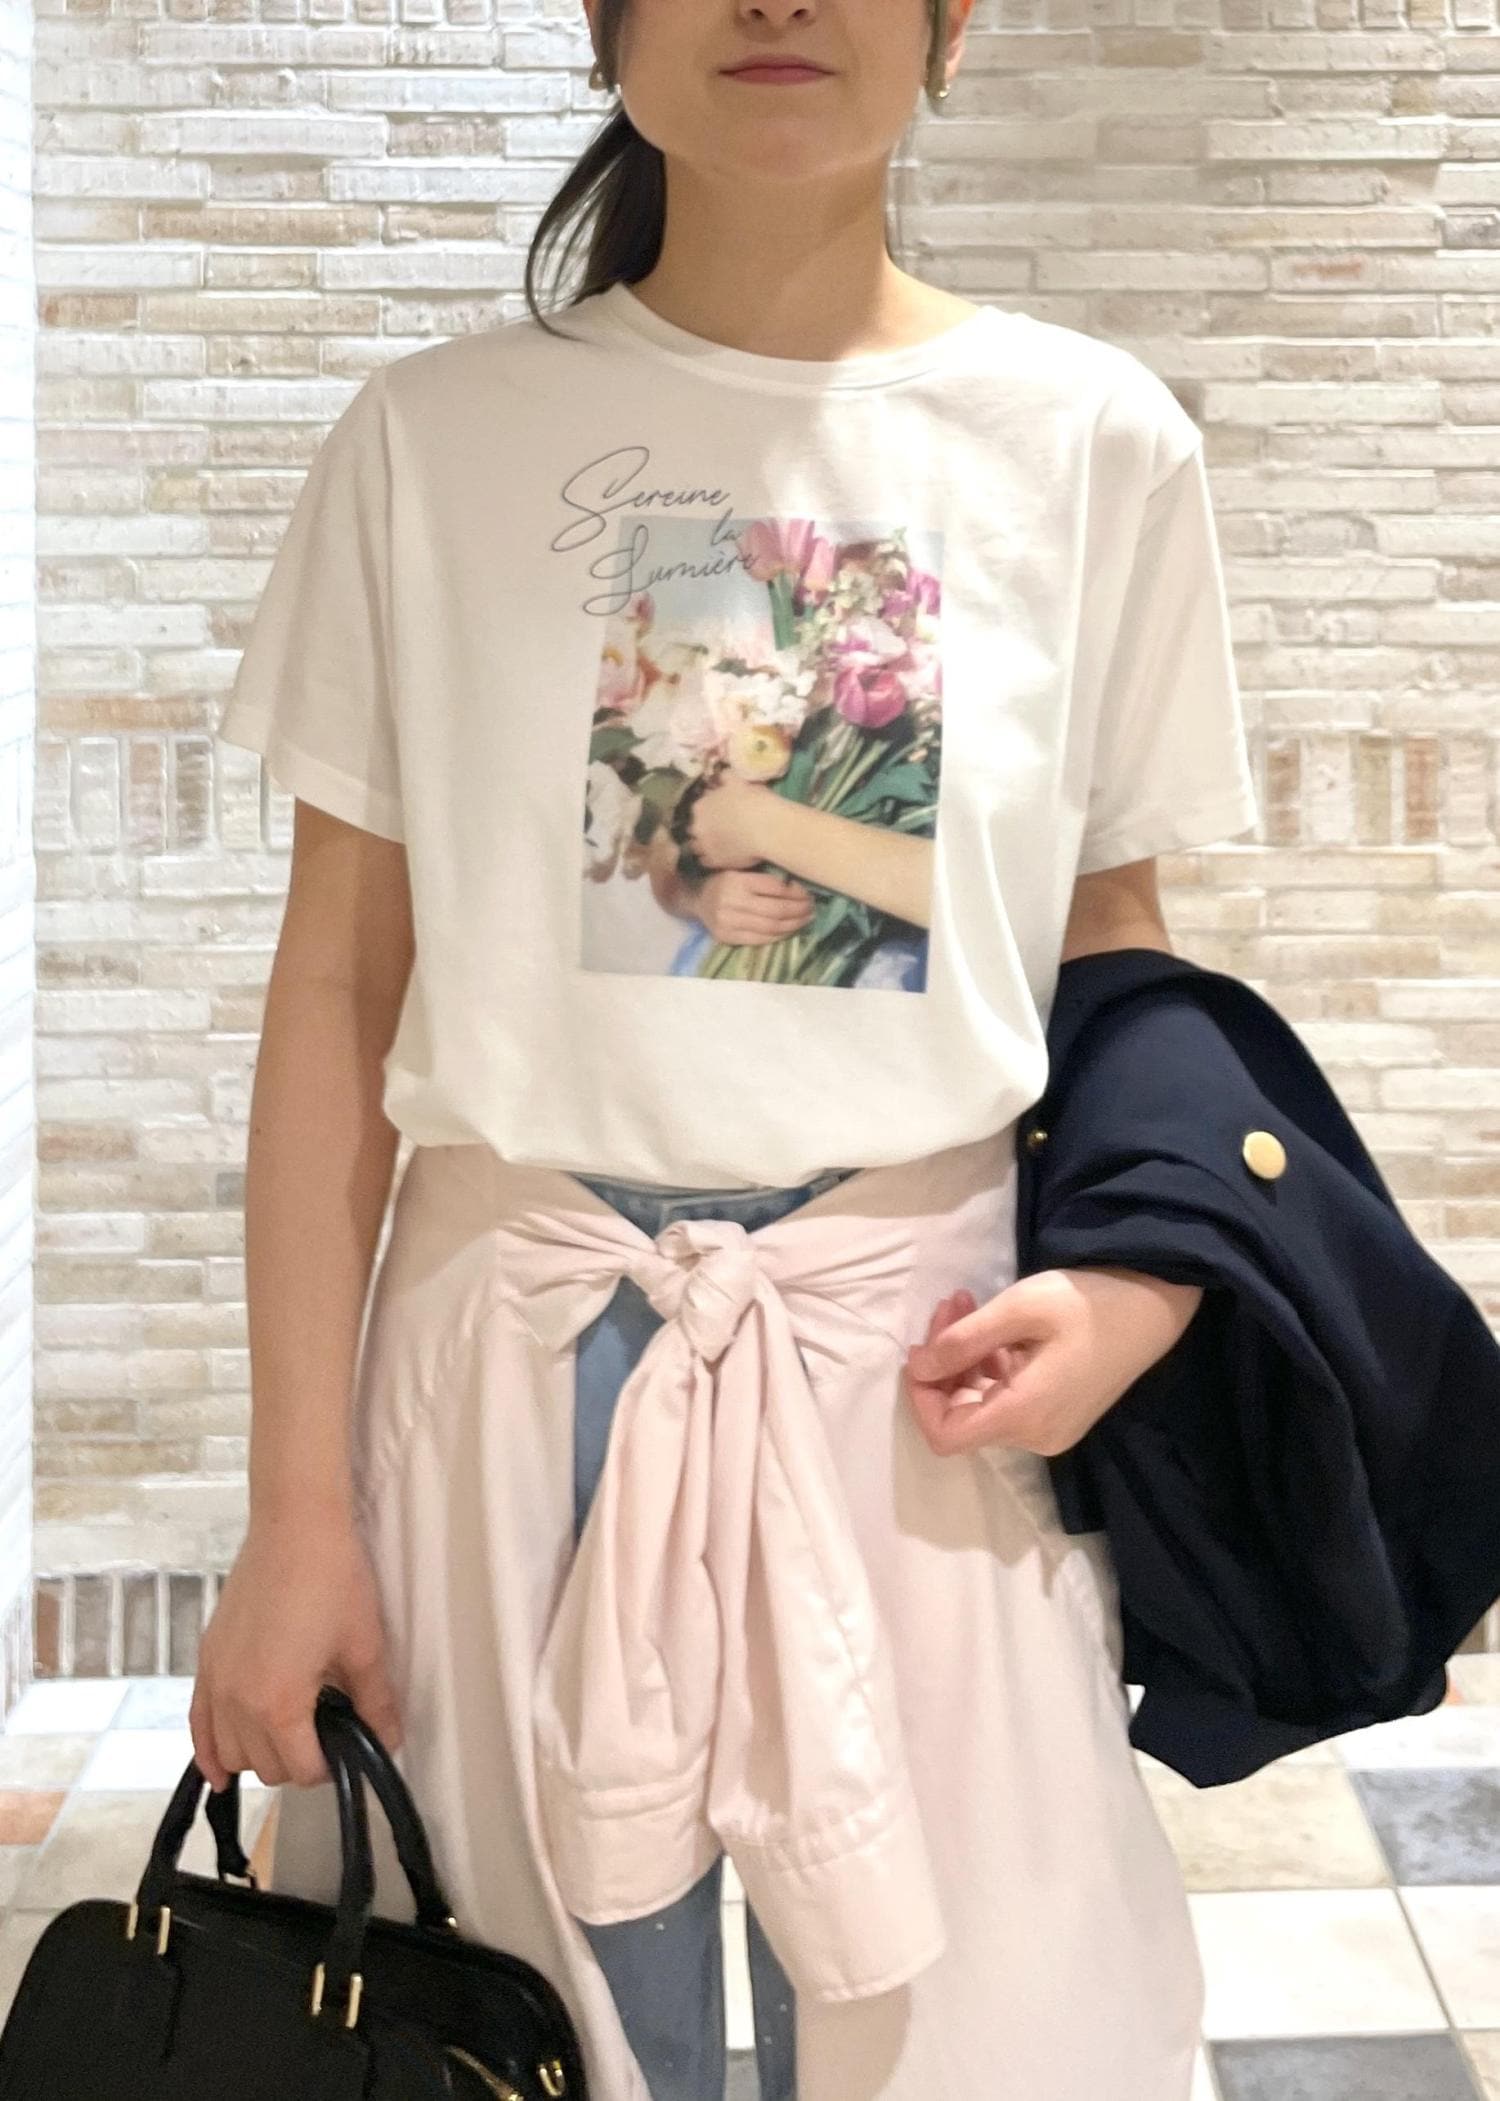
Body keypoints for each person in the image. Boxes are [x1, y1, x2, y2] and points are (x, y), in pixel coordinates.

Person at [195, 0, 1263, 2095]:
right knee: (498, 2030)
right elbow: (336, 987)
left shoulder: (1094, 442)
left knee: (985, 2028)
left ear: (954, 26)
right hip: (508, 1353)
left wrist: (1140, 1284)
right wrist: (294, 1506)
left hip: (925, 1362)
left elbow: (1117, 952)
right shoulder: (427, 443)